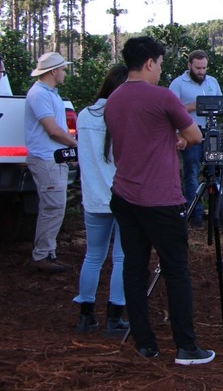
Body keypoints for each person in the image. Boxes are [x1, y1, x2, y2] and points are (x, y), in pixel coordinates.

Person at [106, 36, 214, 365]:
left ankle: (145, 343)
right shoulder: (163, 96)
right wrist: (180, 138)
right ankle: (186, 347)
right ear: (150, 62)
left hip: (125, 195)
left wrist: (171, 140)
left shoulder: (113, 100)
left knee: (133, 270)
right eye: (161, 63)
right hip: (161, 200)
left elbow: (138, 138)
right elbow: (195, 135)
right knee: (177, 271)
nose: (160, 70)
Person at [73, 65, 130, 336]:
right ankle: (114, 317)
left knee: (93, 256)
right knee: (121, 258)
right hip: (123, 197)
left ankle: (86, 315)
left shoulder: (85, 115)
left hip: (94, 197)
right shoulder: (125, 115)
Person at [24, 51, 79, 273]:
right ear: (54, 71)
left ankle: (47, 252)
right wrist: (76, 145)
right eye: (63, 69)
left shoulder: (50, 94)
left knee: (55, 206)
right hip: (46, 159)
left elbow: (58, 131)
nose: (65, 72)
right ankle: (43, 255)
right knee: (53, 206)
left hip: (52, 158)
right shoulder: (40, 95)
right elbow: (54, 130)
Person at [168, 50, 223, 229]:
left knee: (214, 174)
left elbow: (220, 104)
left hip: (211, 135)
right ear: (189, 65)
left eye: (204, 68)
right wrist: (194, 106)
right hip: (190, 136)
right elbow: (170, 111)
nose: (201, 71)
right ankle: (195, 214)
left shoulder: (212, 81)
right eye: (198, 68)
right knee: (191, 174)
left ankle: (216, 215)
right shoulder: (178, 84)